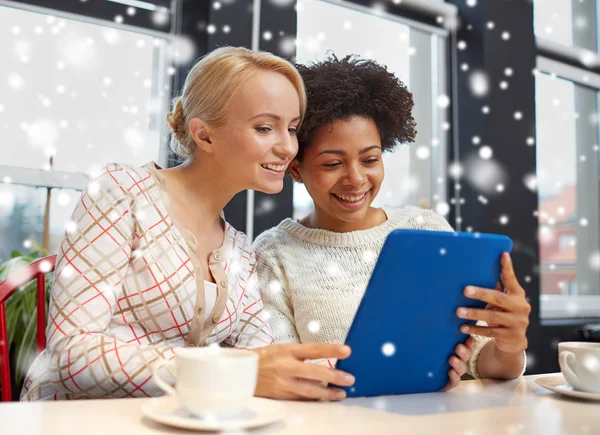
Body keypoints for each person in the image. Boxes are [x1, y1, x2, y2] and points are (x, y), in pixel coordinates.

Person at [21, 47, 355, 401]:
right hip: (76, 418)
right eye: (264, 128)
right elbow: (71, 354)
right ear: (204, 134)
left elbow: (261, 356)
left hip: (168, 420)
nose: (288, 147)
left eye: (291, 128)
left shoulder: (239, 249)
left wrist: (324, 369)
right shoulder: (122, 194)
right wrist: (226, 371)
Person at [253, 55, 530, 389]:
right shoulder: (274, 254)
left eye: (370, 159)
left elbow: (487, 365)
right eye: (332, 164)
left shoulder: (426, 231)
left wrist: (510, 343)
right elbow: (281, 373)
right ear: (296, 168)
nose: (355, 179)